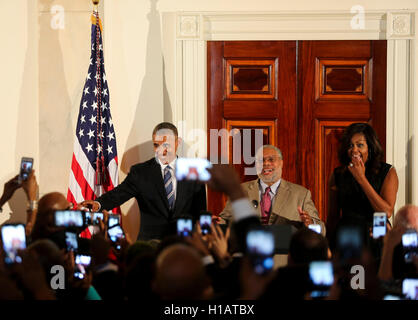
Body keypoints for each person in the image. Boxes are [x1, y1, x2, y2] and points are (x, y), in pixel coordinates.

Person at [78, 122, 207, 240]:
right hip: (150, 247)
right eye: (157, 145)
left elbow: (200, 212)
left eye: (166, 145)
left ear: (177, 142)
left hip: (184, 244)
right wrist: (98, 203)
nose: (161, 151)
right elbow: (118, 194)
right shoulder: (141, 172)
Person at [218, 145, 324, 233]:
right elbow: (224, 220)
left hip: (285, 257)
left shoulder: (301, 194)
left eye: (271, 159)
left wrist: (310, 224)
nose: (265, 163)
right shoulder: (240, 190)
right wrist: (216, 224)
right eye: (261, 160)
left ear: (281, 163)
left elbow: (321, 230)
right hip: (249, 256)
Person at [326, 123, 399, 247]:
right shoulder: (338, 174)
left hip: (375, 238)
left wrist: (361, 178)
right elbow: (333, 217)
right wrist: (327, 246)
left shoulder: (388, 172)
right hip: (346, 238)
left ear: (370, 148)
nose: (354, 150)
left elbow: (386, 212)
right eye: (350, 145)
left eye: (360, 145)